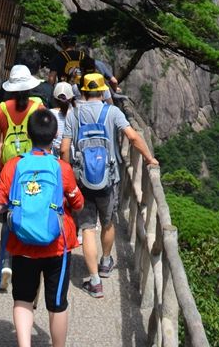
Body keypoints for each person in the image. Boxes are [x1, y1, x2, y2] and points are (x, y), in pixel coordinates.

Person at [60, 71, 158, 299]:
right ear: (103, 91)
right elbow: (133, 137)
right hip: (109, 179)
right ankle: (105, 263)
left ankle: (94, 282)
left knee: (87, 228)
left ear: (83, 91)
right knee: (108, 222)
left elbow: (64, 148)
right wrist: (149, 158)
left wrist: (67, 175)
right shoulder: (112, 112)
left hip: (82, 180)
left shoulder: (74, 114)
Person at [0, 110, 84, 347]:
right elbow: (78, 204)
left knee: (23, 299)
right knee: (57, 304)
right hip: (57, 246)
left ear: (29, 134)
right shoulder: (61, 168)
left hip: (22, 244)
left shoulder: (14, 165)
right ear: (54, 135)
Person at [0, 63, 45, 291]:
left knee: (7, 217)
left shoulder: (1, 109)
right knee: (31, 210)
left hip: (9, 168)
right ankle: (30, 259)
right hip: (33, 167)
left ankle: (6, 263)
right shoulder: (38, 106)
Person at [50, 81, 75, 159]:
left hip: (54, 158)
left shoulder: (49, 114)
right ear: (71, 98)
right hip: (71, 156)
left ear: (54, 98)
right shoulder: (76, 114)